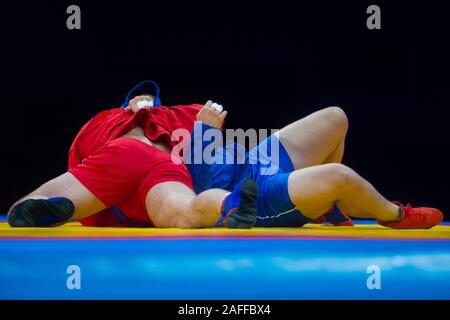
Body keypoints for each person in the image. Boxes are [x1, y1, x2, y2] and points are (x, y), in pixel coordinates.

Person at [7, 81, 258, 229]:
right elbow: (208, 122)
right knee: (185, 210)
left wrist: (100, 211)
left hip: (123, 155)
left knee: (27, 206)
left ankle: (46, 204)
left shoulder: (102, 119)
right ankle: (227, 203)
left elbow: (78, 158)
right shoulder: (176, 114)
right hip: (164, 167)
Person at [184, 102, 444, 229]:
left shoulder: (159, 112)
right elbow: (204, 190)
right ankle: (394, 215)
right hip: (253, 195)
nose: (144, 102)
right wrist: (204, 133)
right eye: (141, 100)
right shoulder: (148, 147)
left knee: (336, 117)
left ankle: (326, 205)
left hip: (255, 160)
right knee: (339, 176)